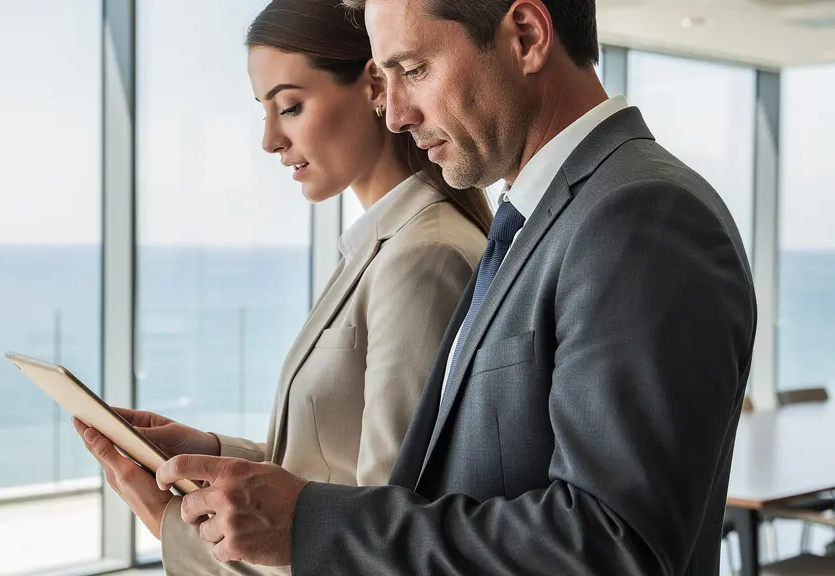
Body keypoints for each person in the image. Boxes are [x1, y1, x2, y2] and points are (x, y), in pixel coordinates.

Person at [145, 0, 758, 574]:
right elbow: (444, 482)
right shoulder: (538, 219)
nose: (396, 113)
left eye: (413, 69)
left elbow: (611, 545)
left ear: (526, 36)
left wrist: (306, 523)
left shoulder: (641, 217)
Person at [73, 0, 492, 573]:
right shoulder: (379, 248)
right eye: (264, 112)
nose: (270, 139)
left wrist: (164, 514)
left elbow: (381, 537)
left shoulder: (424, 258)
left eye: (290, 107)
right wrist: (214, 455)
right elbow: (333, 471)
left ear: (375, 86)